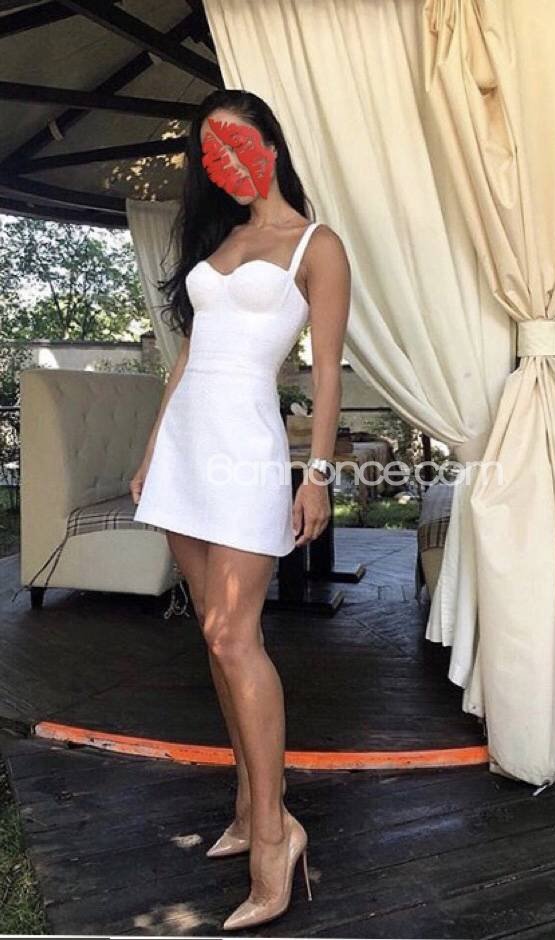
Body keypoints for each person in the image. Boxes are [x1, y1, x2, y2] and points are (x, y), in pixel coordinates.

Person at [130, 88, 351, 931]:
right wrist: (154, 448)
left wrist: (317, 475)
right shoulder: (219, 239)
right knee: (212, 636)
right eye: (209, 152)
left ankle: (274, 836)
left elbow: (325, 374)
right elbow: (190, 355)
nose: (223, 162)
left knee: (234, 636)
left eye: (235, 143)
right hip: (186, 449)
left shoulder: (317, 245)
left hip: (246, 450)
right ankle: (247, 802)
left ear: (268, 143)